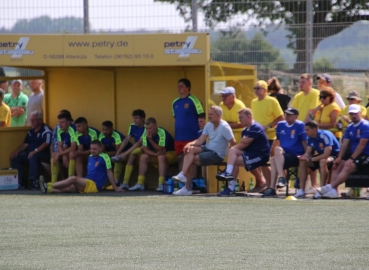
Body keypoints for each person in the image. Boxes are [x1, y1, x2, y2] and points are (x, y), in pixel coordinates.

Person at [172, 105, 236, 196]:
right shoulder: (209, 125)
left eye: (211, 114)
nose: (209, 116)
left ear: (218, 116)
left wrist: (235, 154)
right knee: (189, 151)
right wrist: (189, 144)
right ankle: (183, 176)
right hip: (207, 148)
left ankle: (186, 186)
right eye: (209, 114)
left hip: (217, 154)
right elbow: (200, 141)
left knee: (189, 160)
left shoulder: (225, 127)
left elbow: (233, 143)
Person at [315, 104, 369, 198]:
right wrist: (339, 157)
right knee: (337, 165)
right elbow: (344, 144)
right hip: (355, 154)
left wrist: (351, 158)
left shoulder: (365, 126)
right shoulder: (350, 127)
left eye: (355, 113)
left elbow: (362, 145)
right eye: (351, 114)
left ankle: (330, 187)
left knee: (348, 166)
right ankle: (334, 192)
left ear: (360, 113)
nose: (353, 116)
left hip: (366, 154)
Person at [216, 108, 270, 196]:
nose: (239, 119)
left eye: (241, 117)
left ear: (249, 117)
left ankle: (230, 183)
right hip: (251, 153)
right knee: (234, 154)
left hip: (261, 155)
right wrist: (240, 144)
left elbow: (244, 145)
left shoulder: (255, 127)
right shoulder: (245, 131)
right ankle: (229, 180)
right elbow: (244, 144)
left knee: (234, 156)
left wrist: (236, 146)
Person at [39, 140, 123, 194]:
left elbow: (109, 172)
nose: (92, 151)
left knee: (73, 178)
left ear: (100, 149)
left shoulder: (104, 157)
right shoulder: (90, 156)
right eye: (91, 149)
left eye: (95, 149)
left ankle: (48, 184)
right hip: (87, 181)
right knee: (66, 188)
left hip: (94, 185)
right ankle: (47, 189)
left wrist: (115, 187)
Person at [262, 108, 307, 197]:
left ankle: (272, 187)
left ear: (296, 116)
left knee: (274, 159)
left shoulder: (300, 125)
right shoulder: (280, 124)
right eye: (286, 114)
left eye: (290, 115)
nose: (287, 116)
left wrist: (306, 154)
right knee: (276, 152)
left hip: (295, 155)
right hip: (284, 154)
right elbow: (278, 140)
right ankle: (281, 178)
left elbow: (304, 141)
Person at [251, 80, 284, 189]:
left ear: (265, 90)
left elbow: (280, 117)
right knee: (257, 161)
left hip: (269, 136)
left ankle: (271, 186)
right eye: (255, 88)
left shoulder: (272, 101)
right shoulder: (254, 102)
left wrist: (269, 126)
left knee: (265, 161)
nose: (256, 90)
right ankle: (263, 183)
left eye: (258, 88)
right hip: (257, 136)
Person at [128, 117, 177, 191]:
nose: (148, 130)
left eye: (150, 128)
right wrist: (155, 155)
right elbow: (145, 149)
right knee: (144, 157)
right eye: (147, 128)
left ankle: (161, 184)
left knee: (161, 157)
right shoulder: (146, 133)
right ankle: (140, 183)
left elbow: (161, 149)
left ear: (156, 126)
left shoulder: (161, 132)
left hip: (172, 153)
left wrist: (150, 140)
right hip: (157, 154)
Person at [291, 73, 320, 190]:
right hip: (301, 130)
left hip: (309, 130)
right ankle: (302, 183)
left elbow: (311, 112)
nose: (300, 84)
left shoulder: (315, 93)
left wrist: (303, 127)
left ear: (310, 83)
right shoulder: (298, 96)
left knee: (311, 156)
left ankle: (314, 185)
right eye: (300, 82)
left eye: (303, 82)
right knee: (303, 157)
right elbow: (294, 112)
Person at [296, 121, 340, 198]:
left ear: (315, 129)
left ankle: (321, 190)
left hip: (335, 156)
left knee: (323, 161)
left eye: (307, 130)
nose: (305, 132)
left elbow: (326, 154)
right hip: (321, 156)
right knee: (303, 161)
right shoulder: (309, 137)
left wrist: (311, 159)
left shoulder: (325, 135)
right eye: (305, 130)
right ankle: (301, 190)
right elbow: (308, 152)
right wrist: (304, 157)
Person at [10, 111, 52, 189]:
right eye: (31, 120)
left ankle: (34, 181)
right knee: (16, 157)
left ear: (40, 120)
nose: (32, 121)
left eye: (34, 120)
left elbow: (47, 143)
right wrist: (17, 151)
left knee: (33, 156)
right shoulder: (31, 131)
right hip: (29, 153)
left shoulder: (46, 130)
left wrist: (35, 150)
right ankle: (19, 181)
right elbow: (26, 144)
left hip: (42, 154)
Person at [172, 78, 204, 170]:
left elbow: (201, 116)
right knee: (180, 158)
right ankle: (181, 181)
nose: (179, 88)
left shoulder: (194, 100)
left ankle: (191, 181)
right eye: (178, 86)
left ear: (188, 87)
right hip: (178, 137)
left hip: (191, 136)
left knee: (191, 158)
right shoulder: (175, 102)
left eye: (181, 86)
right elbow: (176, 117)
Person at [111, 109, 146, 189]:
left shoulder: (146, 127)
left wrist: (125, 154)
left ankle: (125, 182)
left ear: (142, 119)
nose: (134, 120)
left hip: (144, 149)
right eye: (133, 118)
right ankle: (116, 181)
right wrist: (118, 152)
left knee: (131, 156)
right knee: (119, 157)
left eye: (136, 118)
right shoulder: (132, 126)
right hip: (137, 149)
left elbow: (139, 143)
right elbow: (127, 139)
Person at [99, 121, 132, 186]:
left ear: (112, 129)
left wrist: (107, 155)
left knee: (117, 158)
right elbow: (101, 150)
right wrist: (104, 155)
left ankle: (116, 181)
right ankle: (101, 182)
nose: (105, 132)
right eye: (103, 129)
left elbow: (118, 151)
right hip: (113, 153)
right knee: (100, 158)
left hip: (127, 152)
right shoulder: (101, 135)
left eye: (107, 129)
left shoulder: (117, 135)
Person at [50, 113, 77, 182]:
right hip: (67, 150)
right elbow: (60, 145)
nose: (60, 124)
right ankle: (53, 183)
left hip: (78, 150)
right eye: (59, 122)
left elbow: (73, 147)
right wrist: (63, 155)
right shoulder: (59, 130)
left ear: (68, 123)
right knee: (54, 155)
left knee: (71, 154)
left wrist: (60, 154)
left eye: (62, 122)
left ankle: (70, 181)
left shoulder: (73, 129)